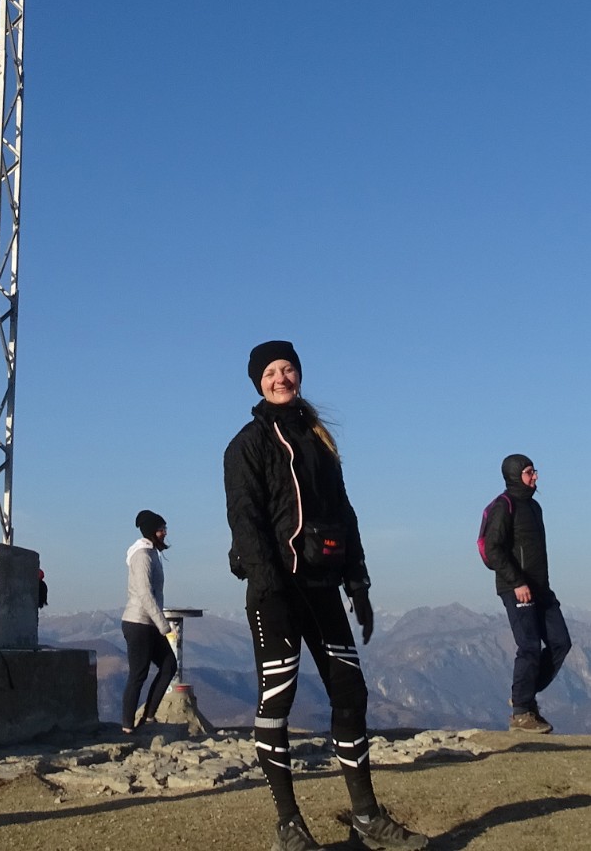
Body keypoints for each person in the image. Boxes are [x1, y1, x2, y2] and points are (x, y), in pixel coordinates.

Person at [224, 342, 427, 851]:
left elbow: (345, 514)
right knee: (279, 698)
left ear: (299, 374)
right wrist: (268, 583)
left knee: (350, 692)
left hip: (321, 588)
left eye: (287, 368)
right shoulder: (247, 444)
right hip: (275, 590)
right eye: (270, 372)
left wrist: (358, 583)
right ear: (257, 383)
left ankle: (366, 818)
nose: (281, 377)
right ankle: (289, 825)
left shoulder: (319, 441)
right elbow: (244, 518)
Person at [479, 453, 571, 734]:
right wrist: (517, 582)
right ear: (515, 475)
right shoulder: (502, 506)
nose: (535, 476)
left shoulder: (534, 507)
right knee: (529, 647)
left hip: (541, 589)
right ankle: (521, 711)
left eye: (534, 471)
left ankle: (523, 694)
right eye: (530, 472)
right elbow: (492, 549)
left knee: (560, 642)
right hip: (516, 589)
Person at [120, 508, 176, 735]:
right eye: (161, 529)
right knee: (138, 674)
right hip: (139, 623)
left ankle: (149, 716)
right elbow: (144, 593)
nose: (164, 533)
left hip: (148, 623)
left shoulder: (152, 553)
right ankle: (127, 727)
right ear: (152, 531)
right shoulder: (142, 556)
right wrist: (163, 624)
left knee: (169, 665)